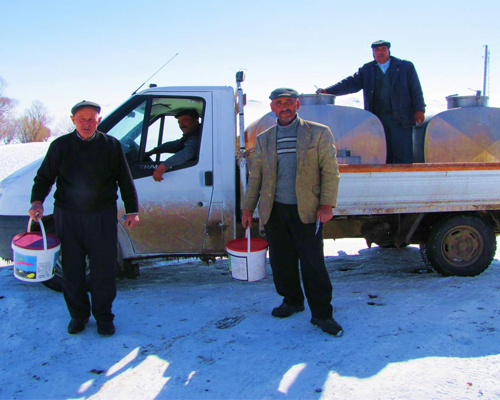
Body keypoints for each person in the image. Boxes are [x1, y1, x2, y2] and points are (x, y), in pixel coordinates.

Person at [29, 100, 139, 337]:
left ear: (98, 120)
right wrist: (36, 201)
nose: (87, 123)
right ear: (73, 121)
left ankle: (104, 318)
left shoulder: (111, 146)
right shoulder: (60, 146)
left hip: (102, 216)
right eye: (82, 119)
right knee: (72, 270)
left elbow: (125, 180)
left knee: (103, 270)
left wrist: (132, 210)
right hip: (68, 217)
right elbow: (44, 177)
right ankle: (78, 316)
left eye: (91, 119)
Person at [241, 88, 343, 337]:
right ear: (272, 107)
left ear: (297, 105)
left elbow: (330, 171)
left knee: (313, 263)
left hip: (307, 210)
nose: (284, 106)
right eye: (279, 103)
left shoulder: (318, 132)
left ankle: (322, 314)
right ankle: (292, 301)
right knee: (281, 260)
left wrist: (327, 204)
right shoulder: (264, 138)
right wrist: (247, 207)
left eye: (288, 102)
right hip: (274, 210)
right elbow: (256, 177)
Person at [318, 40, 425, 164]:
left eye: (383, 49)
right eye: (377, 50)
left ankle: (405, 183)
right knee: (383, 155)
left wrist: (419, 109)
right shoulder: (368, 69)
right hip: (377, 120)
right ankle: (385, 183)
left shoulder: (405, 67)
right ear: (373, 53)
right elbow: (350, 83)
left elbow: (415, 89)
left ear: (389, 51)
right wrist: (328, 91)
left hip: (402, 119)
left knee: (403, 156)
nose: (380, 52)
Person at [147, 109, 201, 182]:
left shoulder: (199, 136)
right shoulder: (190, 135)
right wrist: (153, 151)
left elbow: (187, 152)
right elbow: (176, 145)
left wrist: (164, 166)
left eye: (185, 120)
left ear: (195, 121)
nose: (181, 125)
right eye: (179, 122)